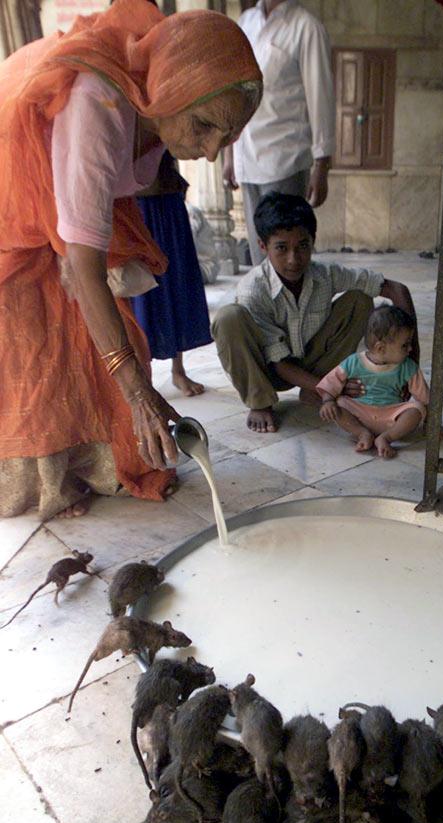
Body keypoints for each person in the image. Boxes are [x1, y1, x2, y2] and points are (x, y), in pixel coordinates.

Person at [0, 0, 262, 519]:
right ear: (169, 91)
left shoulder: (149, 110)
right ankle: (44, 482)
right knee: (32, 335)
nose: (212, 152)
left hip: (51, 206)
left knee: (89, 334)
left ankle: (92, 465)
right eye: (205, 125)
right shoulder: (97, 109)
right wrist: (139, 394)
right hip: (13, 195)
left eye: (227, 137)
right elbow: (82, 268)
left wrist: (141, 389)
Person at [210, 192, 418, 434]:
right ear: (262, 246)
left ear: (313, 240)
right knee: (228, 318)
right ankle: (260, 402)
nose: (293, 259)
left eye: (302, 246)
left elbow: (397, 289)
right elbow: (279, 364)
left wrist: (410, 361)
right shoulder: (253, 290)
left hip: (312, 364)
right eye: (281, 248)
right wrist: (331, 388)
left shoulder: (324, 275)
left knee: (359, 300)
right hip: (268, 370)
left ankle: (313, 390)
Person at [222, 0, 335, 265]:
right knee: (260, 255)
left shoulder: (306, 27)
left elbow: (321, 98)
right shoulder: (246, 22)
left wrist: (323, 163)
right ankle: (264, 308)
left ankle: (294, 308)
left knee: (288, 258)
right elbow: (232, 91)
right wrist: (228, 152)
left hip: (285, 160)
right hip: (246, 156)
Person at [132, 153, 213, 398]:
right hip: (136, 203)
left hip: (168, 198)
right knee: (138, 291)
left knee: (175, 282)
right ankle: (142, 378)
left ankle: (178, 370)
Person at [316, 306, 429, 460]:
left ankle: (386, 438)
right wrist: (327, 401)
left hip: (391, 416)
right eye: (405, 345)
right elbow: (330, 383)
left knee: (417, 410)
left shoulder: (408, 367)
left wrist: (432, 422)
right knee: (339, 404)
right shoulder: (353, 362)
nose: (410, 349)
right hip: (359, 414)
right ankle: (362, 433)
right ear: (381, 348)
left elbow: (425, 398)